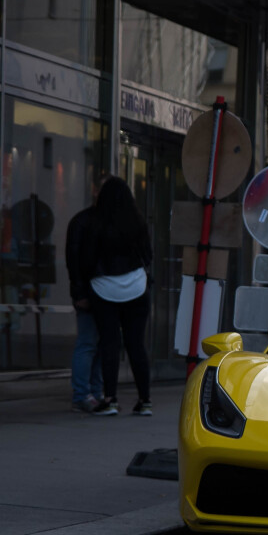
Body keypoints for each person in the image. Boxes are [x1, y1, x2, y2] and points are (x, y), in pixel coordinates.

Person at [80, 176, 153, 416]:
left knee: (109, 344)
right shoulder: (138, 221)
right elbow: (148, 255)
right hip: (136, 287)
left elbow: (87, 259)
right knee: (136, 345)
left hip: (104, 288)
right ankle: (145, 400)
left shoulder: (95, 222)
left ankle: (110, 399)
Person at [65, 176, 106, 412]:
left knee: (97, 344)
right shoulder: (83, 222)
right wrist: (79, 292)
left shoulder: (91, 221)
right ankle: (84, 393)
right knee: (89, 342)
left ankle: (92, 391)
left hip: (100, 293)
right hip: (91, 293)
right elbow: (74, 261)